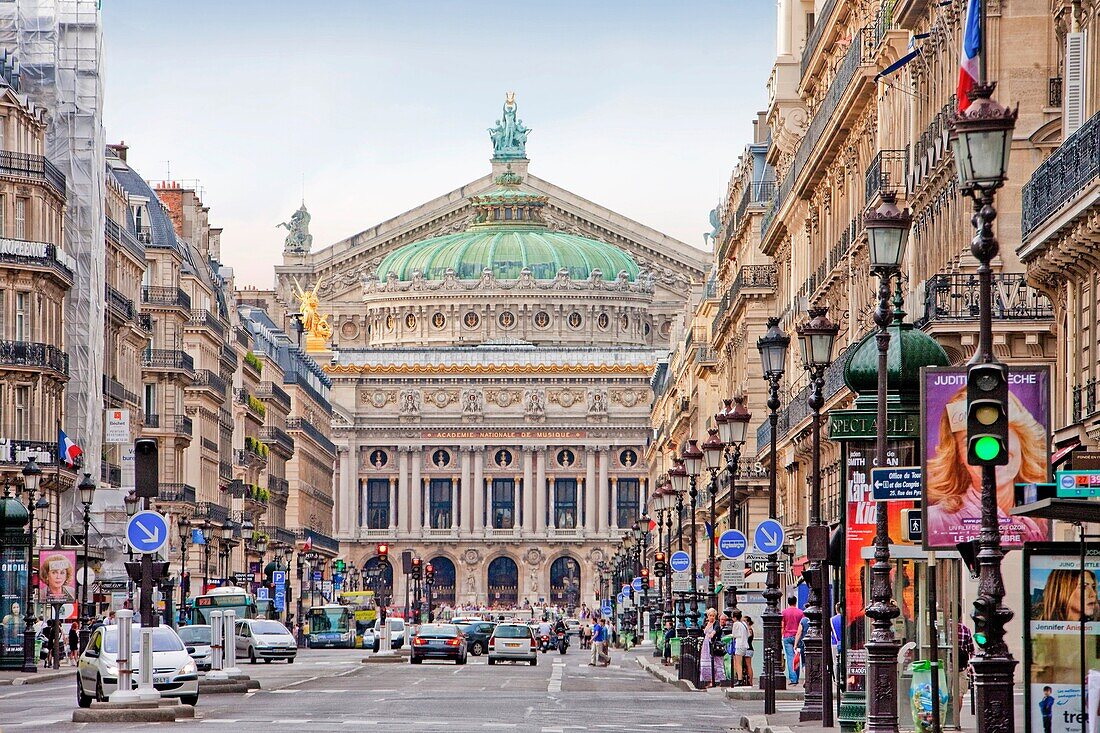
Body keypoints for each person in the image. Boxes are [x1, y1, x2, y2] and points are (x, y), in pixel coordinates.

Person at [926, 388, 1049, 545]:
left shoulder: (1041, 520)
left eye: (1001, 435)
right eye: (970, 442)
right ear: (958, 456)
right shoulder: (937, 522)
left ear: (1021, 439)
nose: (990, 450)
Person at [699, 608, 726, 688]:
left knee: (715, 663)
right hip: (706, 645)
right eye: (710, 615)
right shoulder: (707, 623)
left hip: (713, 645)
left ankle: (715, 681)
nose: (712, 617)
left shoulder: (716, 623)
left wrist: (712, 634)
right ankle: (709, 680)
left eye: (713, 616)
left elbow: (715, 630)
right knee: (706, 664)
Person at [781, 596, 804, 685]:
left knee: (790, 658)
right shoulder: (800, 613)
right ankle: (797, 676)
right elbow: (801, 626)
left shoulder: (784, 612)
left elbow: (782, 626)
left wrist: (781, 635)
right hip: (797, 637)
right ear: (796, 601)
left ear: (788, 602)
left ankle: (793, 678)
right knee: (797, 657)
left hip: (787, 636)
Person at [730, 610, 748, 686]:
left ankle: (739, 679)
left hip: (739, 644)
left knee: (738, 663)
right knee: (742, 663)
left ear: (734, 617)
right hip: (745, 644)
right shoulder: (744, 623)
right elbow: (749, 634)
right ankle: (742, 678)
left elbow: (734, 634)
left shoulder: (736, 624)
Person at [743, 617, 755, 685]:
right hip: (748, 648)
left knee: (748, 665)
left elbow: (748, 637)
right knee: (746, 665)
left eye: (744, 621)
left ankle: (750, 681)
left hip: (748, 649)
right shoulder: (747, 629)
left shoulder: (749, 629)